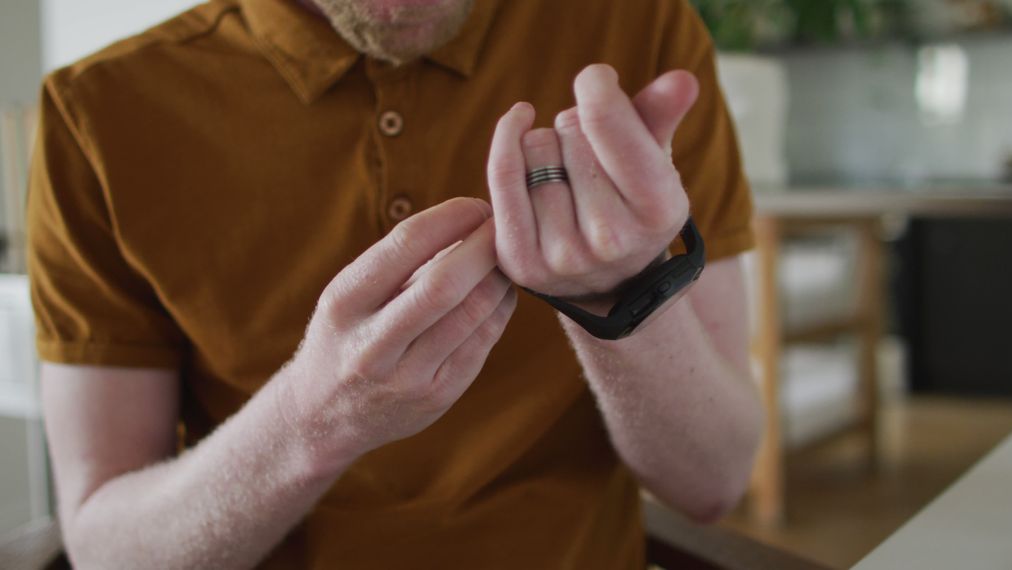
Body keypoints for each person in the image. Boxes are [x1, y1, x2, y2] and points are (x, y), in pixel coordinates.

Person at [27, 0, 762, 567]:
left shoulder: (641, 32)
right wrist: (312, 422)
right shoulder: (96, 114)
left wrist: (624, 298)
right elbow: (106, 550)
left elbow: (714, 483)